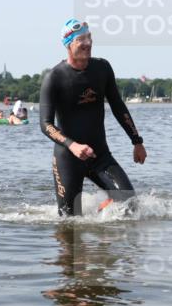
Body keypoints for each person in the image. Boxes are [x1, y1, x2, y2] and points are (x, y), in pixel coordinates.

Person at [39, 18, 146, 216]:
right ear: (68, 44)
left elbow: (118, 106)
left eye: (89, 37)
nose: (88, 43)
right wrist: (73, 145)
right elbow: (45, 124)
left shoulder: (102, 69)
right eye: (81, 39)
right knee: (69, 221)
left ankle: (99, 221)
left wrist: (136, 141)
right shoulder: (54, 77)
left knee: (129, 201)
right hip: (68, 158)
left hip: (100, 155)